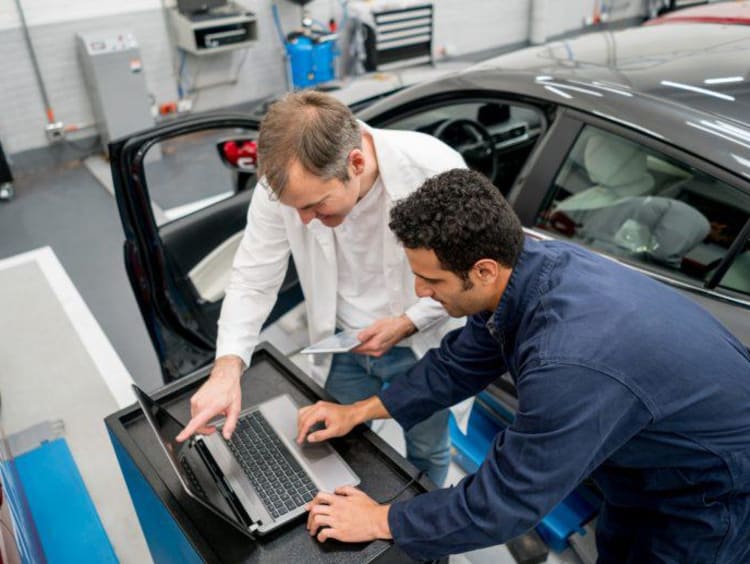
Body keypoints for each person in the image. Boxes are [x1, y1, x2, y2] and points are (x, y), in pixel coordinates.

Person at [299, 168, 750, 562]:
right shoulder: (530, 268)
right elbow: (460, 362)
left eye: (431, 279)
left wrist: (382, 519)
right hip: (644, 469)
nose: (419, 292)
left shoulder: (569, 362)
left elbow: (506, 501)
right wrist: (359, 410)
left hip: (709, 494)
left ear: (483, 271)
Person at [175, 90, 466, 486]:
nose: (305, 220)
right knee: (338, 440)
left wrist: (408, 322)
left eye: (316, 206)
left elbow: (466, 278)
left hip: (423, 344)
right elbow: (252, 278)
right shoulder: (281, 190)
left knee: (426, 447)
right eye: (296, 209)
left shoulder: (434, 169)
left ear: (356, 163)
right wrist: (226, 369)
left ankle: (431, 535)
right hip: (344, 345)